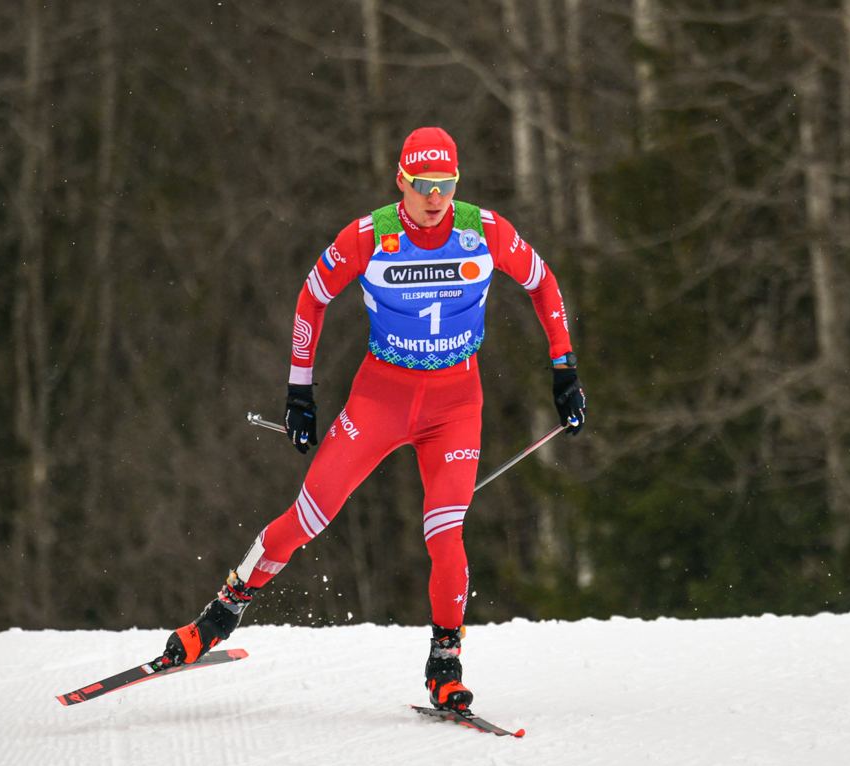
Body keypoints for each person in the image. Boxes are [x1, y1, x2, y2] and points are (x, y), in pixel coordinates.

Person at [161, 127, 587, 711]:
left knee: (445, 533)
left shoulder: (485, 231)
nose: (434, 197)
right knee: (310, 515)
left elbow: (544, 284)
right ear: (401, 182)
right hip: (380, 399)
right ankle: (222, 611)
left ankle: (445, 661)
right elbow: (312, 298)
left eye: (445, 184)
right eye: (422, 185)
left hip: (456, 404)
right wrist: (300, 391)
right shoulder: (371, 236)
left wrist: (563, 369)